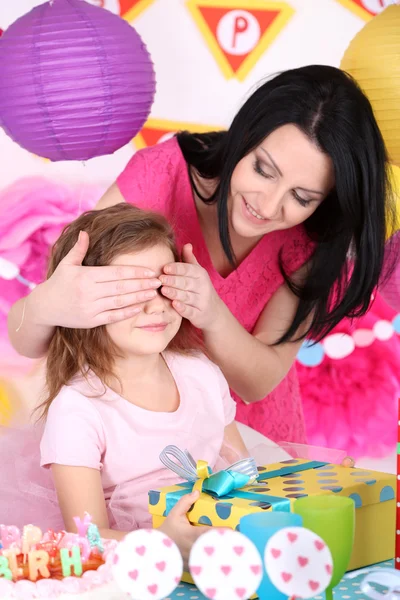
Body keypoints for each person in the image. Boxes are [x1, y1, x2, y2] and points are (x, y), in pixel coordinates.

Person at [8, 65, 395, 444]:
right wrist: (48, 304)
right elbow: (30, 338)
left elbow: (256, 383)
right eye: (263, 169)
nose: (269, 205)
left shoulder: (312, 238)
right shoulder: (162, 176)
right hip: (139, 441)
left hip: (256, 448)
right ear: (244, 137)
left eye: (301, 197)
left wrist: (211, 312)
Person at [1, 203, 248, 565]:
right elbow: (84, 538)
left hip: (218, 555)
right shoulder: (78, 409)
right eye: (130, 292)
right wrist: (162, 542)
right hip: (132, 568)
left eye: (165, 286)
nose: (156, 308)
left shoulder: (202, 374)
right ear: (81, 304)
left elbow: (245, 475)